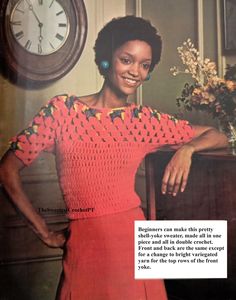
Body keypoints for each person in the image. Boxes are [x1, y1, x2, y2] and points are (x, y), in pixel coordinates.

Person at [0, 15, 228, 300]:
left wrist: (187, 149)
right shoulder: (61, 112)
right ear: (107, 59)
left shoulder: (144, 120)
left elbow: (217, 134)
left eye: (145, 65)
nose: (136, 71)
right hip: (84, 247)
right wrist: (44, 232)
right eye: (127, 59)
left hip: (133, 247)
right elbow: (6, 171)